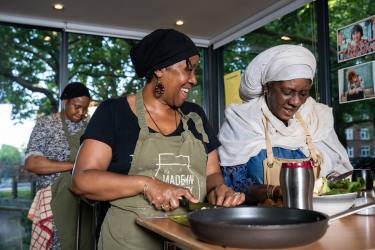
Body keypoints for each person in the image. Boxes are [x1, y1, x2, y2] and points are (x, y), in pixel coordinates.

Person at [71, 29, 245, 249]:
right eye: (187, 69)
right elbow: (82, 180)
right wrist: (146, 184)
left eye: (195, 71)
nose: (193, 79)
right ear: (161, 69)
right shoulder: (113, 113)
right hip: (129, 241)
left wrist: (218, 190)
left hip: (194, 238)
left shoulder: (195, 116)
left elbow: (212, 173)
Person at [218, 45, 353, 205]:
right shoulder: (243, 121)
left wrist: (332, 181)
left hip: (315, 216)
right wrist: (274, 191)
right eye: (287, 92)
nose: (296, 102)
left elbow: (334, 166)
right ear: (267, 87)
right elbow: (232, 185)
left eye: (303, 94)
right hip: (258, 221)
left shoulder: (316, 117)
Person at [25, 82, 90, 250]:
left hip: (85, 204)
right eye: (77, 107)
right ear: (65, 101)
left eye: (85, 108)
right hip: (54, 204)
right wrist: (74, 166)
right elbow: (31, 163)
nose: (81, 112)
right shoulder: (46, 124)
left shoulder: (89, 127)